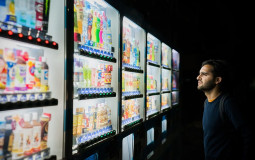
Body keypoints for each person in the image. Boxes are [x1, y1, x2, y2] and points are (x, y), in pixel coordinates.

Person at [197, 59, 253, 160]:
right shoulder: (206, 103)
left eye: (204, 74)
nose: (198, 78)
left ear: (217, 80)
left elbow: (248, 135)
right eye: (199, 74)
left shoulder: (227, 103)